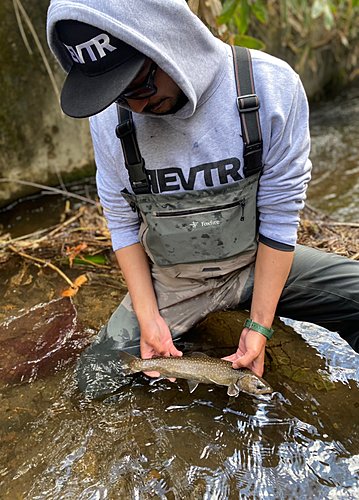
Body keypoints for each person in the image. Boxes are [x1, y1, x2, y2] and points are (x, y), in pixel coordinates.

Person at [47, 0, 359, 399]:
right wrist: (148, 318)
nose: (137, 105)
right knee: (91, 382)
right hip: (173, 282)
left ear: (170, 40)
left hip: (255, 262)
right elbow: (121, 221)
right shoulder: (110, 119)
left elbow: (281, 219)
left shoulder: (270, 88)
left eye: (139, 85)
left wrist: (260, 324)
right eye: (119, 96)